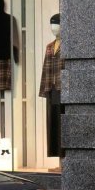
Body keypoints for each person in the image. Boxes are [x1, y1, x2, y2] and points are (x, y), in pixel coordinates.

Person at [39, 13, 64, 162]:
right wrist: (44, 90)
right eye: (52, 25)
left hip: (63, 88)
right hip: (52, 89)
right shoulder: (49, 46)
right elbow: (45, 69)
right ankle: (58, 157)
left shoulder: (68, 45)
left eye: (57, 25)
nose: (54, 28)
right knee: (53, 123)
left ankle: (64, 157)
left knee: (63, 122)